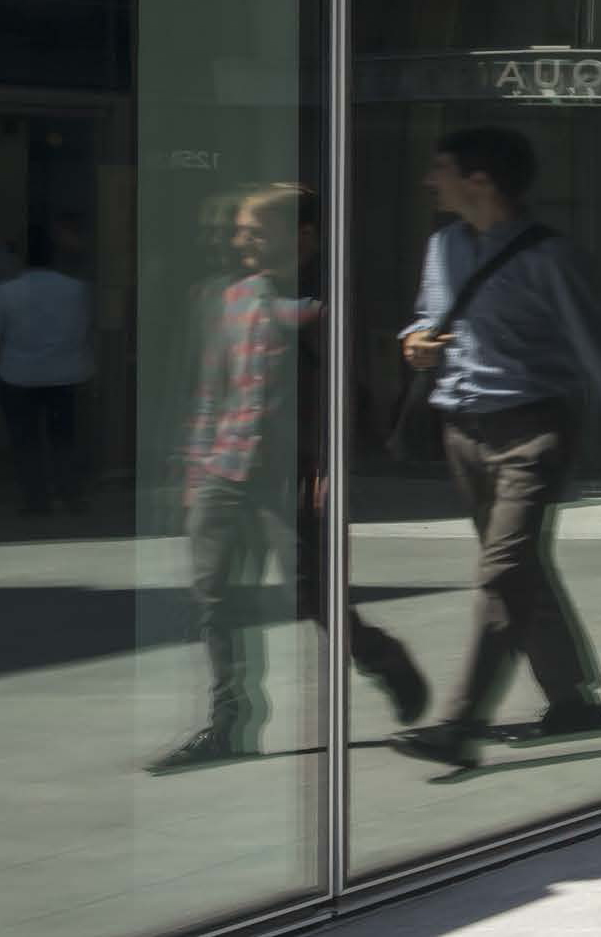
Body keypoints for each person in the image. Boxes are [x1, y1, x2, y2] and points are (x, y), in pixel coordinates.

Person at [154, 185, 429, 770]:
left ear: (303, 238)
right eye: (240, 230)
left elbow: (347, 397)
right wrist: (194, 469)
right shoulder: (226, 301)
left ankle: (382, 657)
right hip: (225, 473)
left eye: (257, 229)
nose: (242, 239)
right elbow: (209, 392)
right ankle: (230, 723)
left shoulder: (323, 308)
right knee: (215, 599)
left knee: (313, 596)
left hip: (291, 478)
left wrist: (331, 468)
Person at [393, 126, 601, 767]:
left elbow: (596, 346)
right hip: (462, 429)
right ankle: (572, 698)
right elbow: (425, 317)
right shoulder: (442, 246)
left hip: (534, 429)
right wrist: (415, 343)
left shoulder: (550, 257)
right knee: (521, 571)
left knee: (501, 573)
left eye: (440, 168)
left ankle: (460, 723)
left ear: (481, 181)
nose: (427, 180)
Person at [0, 223, 94, 513]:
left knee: (25, 441)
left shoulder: (4, 293)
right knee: (64, 438)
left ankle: (36, 500)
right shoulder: (77, 290)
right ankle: (70, 494)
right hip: (68, 374)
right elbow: (87, 332)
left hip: (18, 377)